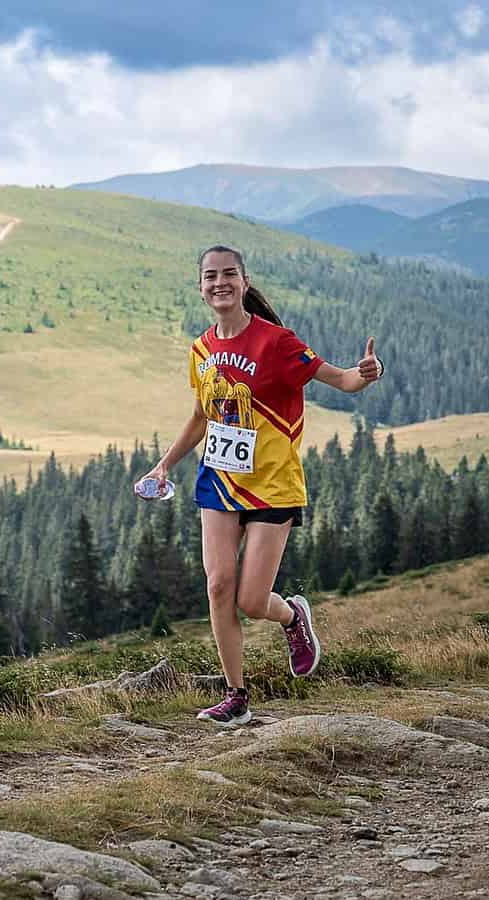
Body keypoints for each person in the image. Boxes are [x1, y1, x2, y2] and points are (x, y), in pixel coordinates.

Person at [140, 245, 383, 726]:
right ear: (201, 287)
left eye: (229, 274)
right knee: (217, 587)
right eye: (211, 276)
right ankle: (236, 696)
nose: (220, 283)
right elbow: (200, 416)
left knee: (252, 601)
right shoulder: (201, 349)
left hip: (272, 484)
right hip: (219, 481)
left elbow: (340, 379)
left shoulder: (277, 342)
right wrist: (163, 464)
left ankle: (292, 616)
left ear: (245, 282)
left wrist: (366, 375)